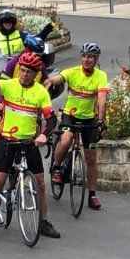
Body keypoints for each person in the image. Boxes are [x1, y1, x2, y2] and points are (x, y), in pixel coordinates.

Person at [0, 52, 61, 241]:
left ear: (36, 74)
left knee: (40, 184)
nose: (24, 74)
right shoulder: (9, 85)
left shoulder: (40, 92)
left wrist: (43, 135)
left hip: (29, 143)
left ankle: (43, 222)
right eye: (22, 70)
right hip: (8, 142)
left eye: (28, 72)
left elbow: (51, 120)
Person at [47, 42, 109, 210]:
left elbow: (102, 100)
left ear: (96, 59)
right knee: (66, 140)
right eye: (84, 56)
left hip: (89, 119)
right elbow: (58, 78)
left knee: (91, 159)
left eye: (90, 57)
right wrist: (50, 81)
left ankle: (92, 195)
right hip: (70, 115)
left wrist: (102, 120)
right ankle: (57, 168)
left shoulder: (100, 76)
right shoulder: (72, 72)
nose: (86, 60)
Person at [0, 35, 51, 180]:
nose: (37, 58)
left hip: (30, 105)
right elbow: (1, 85)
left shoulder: (39, 66)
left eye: (40, 56)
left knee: (30, 140)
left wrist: (47, 86)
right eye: (35, 54)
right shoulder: (12, 64)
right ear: (26, 51)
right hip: (8, 104)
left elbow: (46, 79)